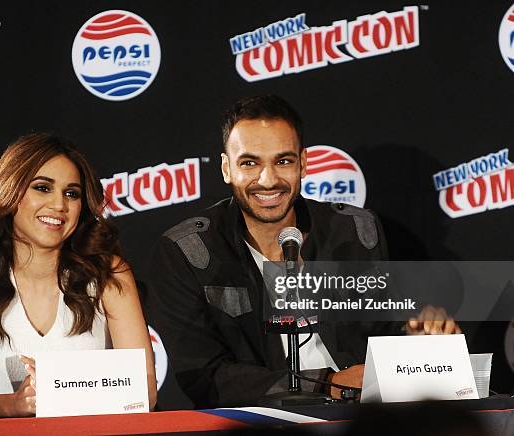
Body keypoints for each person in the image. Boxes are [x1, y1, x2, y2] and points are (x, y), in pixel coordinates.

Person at [146, 95, 459, 408]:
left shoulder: (354, 228)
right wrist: (327, 384)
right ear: (227, 168)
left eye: (283, 161)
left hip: (363, 417)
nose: (268, 181)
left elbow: (381, 328)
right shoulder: (188, 251)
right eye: (249, 163)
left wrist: (418, 336)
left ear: (304, 163)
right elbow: (204, 376)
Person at [0, 133, 157, 417]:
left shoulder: (109, 275)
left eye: (71, 193)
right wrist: (10, 404)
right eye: (43, 188)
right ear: (11, 192)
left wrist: (61, 389)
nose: (59, 205)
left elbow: (145, 392)